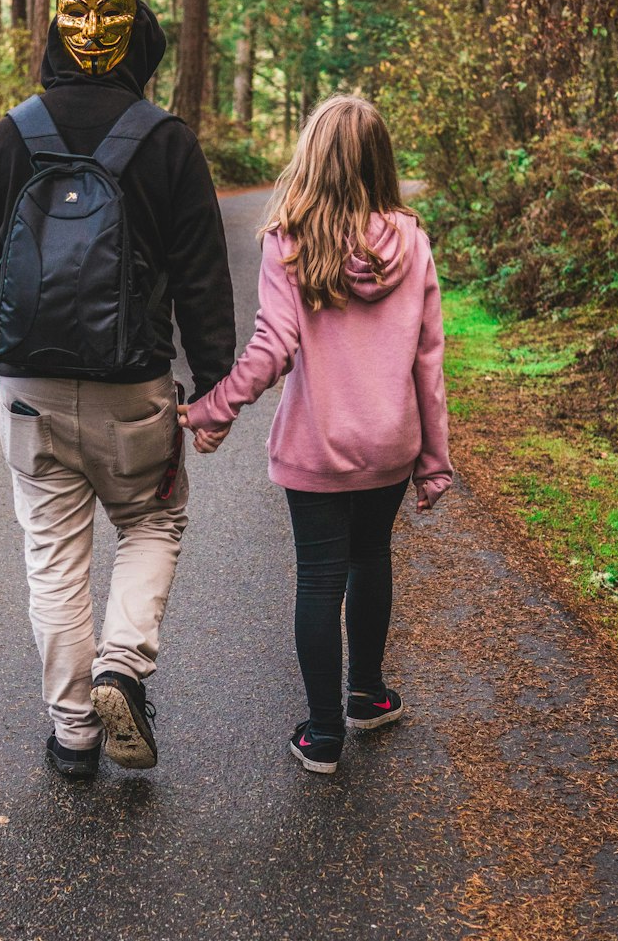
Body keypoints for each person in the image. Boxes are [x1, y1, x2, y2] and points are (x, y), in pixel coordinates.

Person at [0, 0, 236, 780]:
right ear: (140, 44)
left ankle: (74, 732)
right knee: (152, 524)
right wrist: (216, 385)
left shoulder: (12, 134)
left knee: (53, 553)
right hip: (134, 387)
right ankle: (123, 663)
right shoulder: (166, 140)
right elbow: (202, 275)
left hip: (28, 382)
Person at [180, 94, 452, 775]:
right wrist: (434, 462)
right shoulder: (412, 242)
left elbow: (274, 345)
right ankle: (368, 695)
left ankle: (324, 734)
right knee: (371, 560)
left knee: (319, 580)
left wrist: (217, 408)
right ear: (380, 162)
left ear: (312, 158)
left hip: (316, 446)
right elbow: (429, 358)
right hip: (390, 444)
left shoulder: (290, 239)